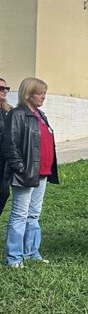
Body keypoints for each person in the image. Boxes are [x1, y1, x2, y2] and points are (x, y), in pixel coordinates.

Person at [2, 77, 59, 268]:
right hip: (25, 174)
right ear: (28, 94)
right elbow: (10, 146)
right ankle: (14, 257)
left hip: (41, 172)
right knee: (20, 215)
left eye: (45, 93)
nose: (43, 97)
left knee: (34, 215)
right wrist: (21, 168)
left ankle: (31, 252)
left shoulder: (41, 115)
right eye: (40, 93)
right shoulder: (17, 114)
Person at [0, 77, 13, 217]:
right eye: (1, 88)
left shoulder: (9, 111)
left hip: (4, 166)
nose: (4, 91)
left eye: (6, 88)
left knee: (3, 194)